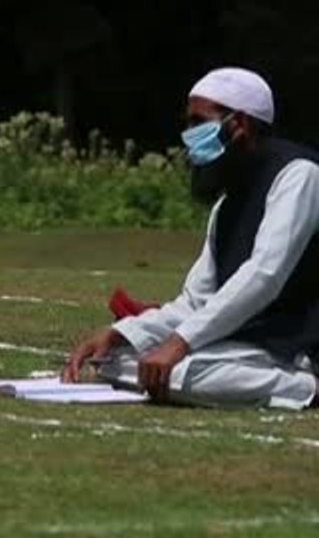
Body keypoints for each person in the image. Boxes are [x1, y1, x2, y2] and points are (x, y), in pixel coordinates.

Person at [64, 67, 319, 410]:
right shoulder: (227, 204)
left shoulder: (300, 176)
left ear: (238, 124)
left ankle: (306, 387)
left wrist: (180, 343)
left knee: (177, 371)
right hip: (245, 344)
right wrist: (121, 333)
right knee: (118, 362)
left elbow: (264, 276)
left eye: (199, 122)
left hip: (294, 348)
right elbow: (196, 301)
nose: (189, 135)